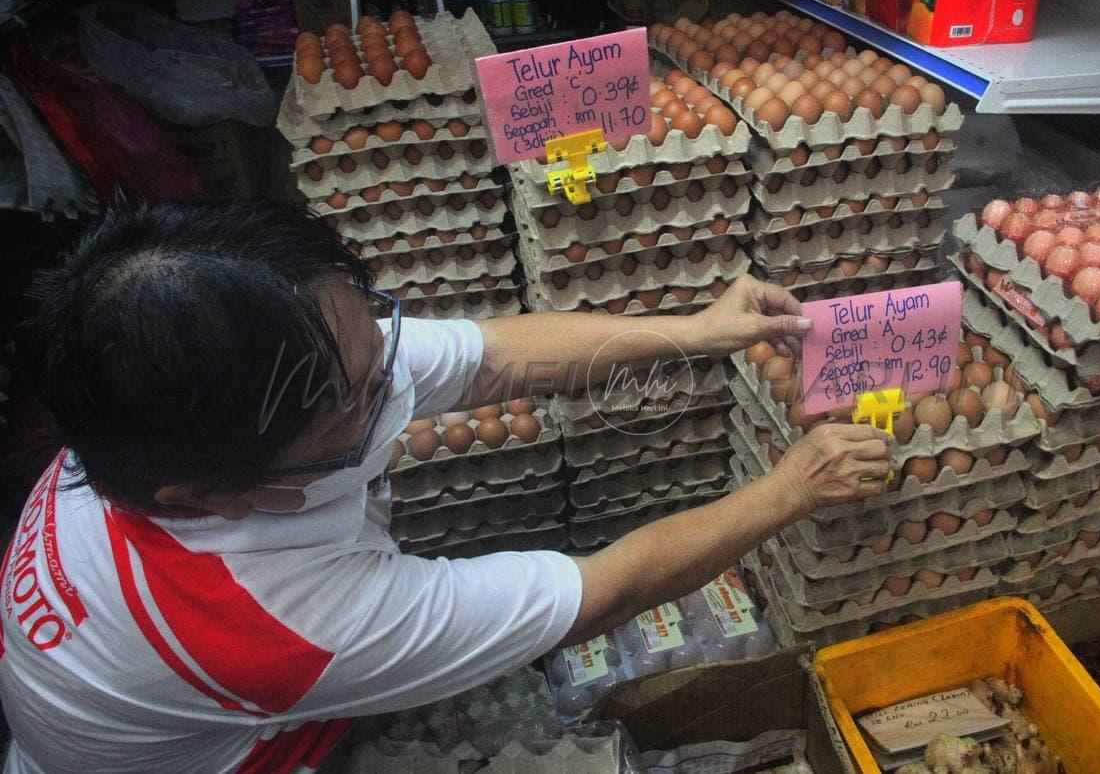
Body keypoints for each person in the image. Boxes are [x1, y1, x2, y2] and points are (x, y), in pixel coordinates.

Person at [2, 200, 890, 772]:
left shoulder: (198, 387)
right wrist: (789, 492)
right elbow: (600, 592)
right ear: (207, 497)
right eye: (355, 404)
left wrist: (698, 332)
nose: (392, 384)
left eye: (375, 343)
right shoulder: (279, 621)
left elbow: (496, 356)